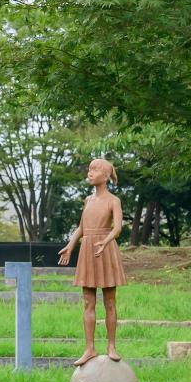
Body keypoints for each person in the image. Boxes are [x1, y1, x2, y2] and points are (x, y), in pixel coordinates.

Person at [57, 156, 127, 366]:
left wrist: (105, 241)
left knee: (110, 302)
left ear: (105, 176)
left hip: (105, 250)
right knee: (88, 302)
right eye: (89, 169)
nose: (90, 173)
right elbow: (81, 227)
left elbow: (117, 227)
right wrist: (70, 245)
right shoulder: (88, 200)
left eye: (95, 170)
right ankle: (89, 348)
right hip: (88, 249)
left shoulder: (113, 200)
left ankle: (111, 346)